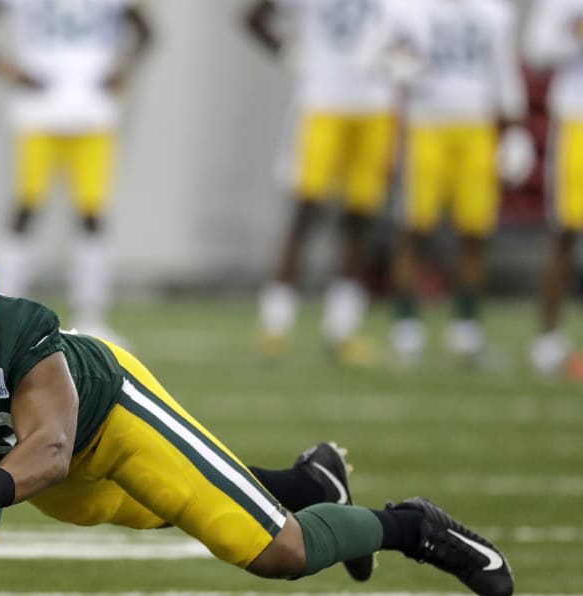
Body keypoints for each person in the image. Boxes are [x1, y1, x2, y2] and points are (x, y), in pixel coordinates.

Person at [0, 213, 516, 596]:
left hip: (107, 422)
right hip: (53, 485)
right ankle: (309, 477)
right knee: (185, 506)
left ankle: (413, 526)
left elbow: (46, 448)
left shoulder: (25, 335)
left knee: (270, 549)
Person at [0, 0, 153, 343]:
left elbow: (146, 31)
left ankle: (92, 316)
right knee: (27, 207)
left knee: (92, 212)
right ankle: (1, 309)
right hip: (39, 114)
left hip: (93, 114)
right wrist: (5, 68)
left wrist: (124, 68)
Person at [360, 0, 532, 366]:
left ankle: (466, 333)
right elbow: (369, 58)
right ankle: (407, 332)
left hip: (477, 127)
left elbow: (504, 71)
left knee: (475, 231)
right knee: (413, 229)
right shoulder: (406, 9)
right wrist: (396, 65)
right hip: (426, 125)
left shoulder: (493, 13)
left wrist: (515, 127)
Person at [245, 0, 399, 365]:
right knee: (305, 214)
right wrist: (287, 51)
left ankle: (343, 329)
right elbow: (253, 16)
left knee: (360, 219)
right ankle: (275, 323)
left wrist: (400, 60)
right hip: (322, 104)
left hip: (376, 105)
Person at [524, 0, 583, 377]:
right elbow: (536, 49)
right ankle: (548, 342)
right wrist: (574, 34)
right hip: (578, 116)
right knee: (565, 229)